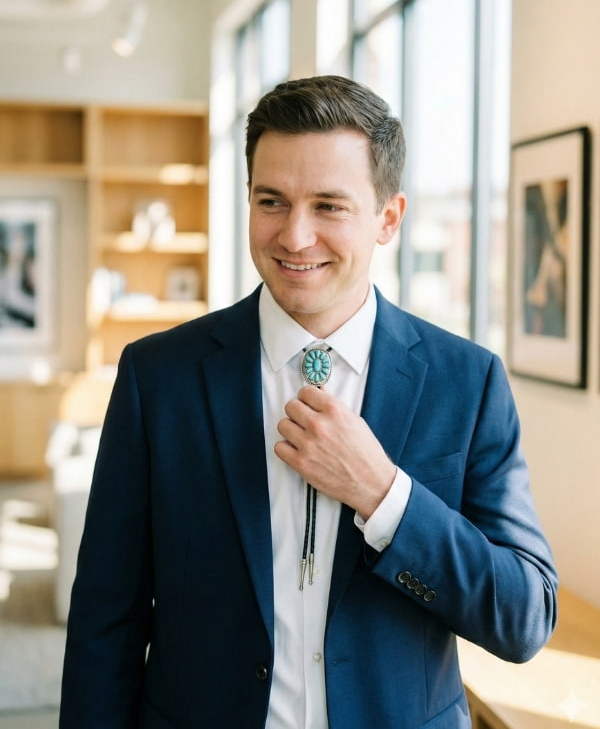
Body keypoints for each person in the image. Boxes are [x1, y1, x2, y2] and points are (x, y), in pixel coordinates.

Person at [60, 75, 558, 729]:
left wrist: (385, 496)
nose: (295, 237)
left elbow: (522, 617)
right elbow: (106, 617)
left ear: (388, 219)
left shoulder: (466, 383)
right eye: (272, 201)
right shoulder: (159, 377)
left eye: (328, 206)